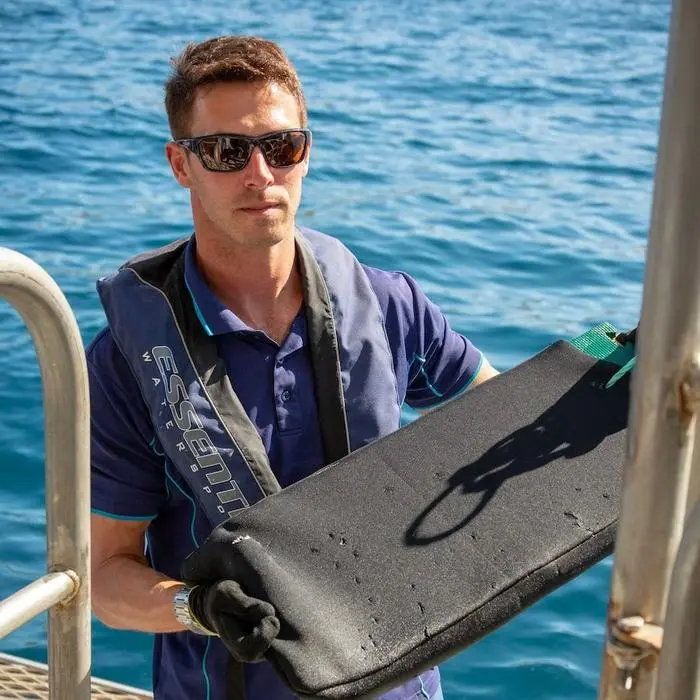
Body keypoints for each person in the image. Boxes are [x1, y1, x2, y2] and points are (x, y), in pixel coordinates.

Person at [88, 35, 499, 700]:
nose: (260, 174)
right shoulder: (126, 363)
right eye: (226, 151)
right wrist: (198, 607)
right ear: (180, 164)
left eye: (282, 147)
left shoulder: (391, 306)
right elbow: (107, 578)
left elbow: (508, 427)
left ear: (306, 152)